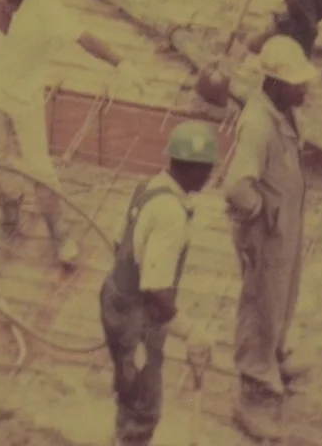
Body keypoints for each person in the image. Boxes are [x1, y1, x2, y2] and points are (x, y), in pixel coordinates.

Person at [0, 0, 122, 267]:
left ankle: (58, 231)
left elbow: (83, 37)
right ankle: (9, 216)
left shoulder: (47, 9)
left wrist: (120, 63)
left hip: (25, 97)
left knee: (39, 168)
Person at [224, 35, 320, 440]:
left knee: (282, 294)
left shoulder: (284, 112)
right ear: (276, 83)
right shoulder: (258, 125)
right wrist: (260, 213)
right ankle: (255, 388)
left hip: (285, 226)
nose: (305, 89)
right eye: (297, 84)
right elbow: (236, 187)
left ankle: (274, 355)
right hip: (267, 232)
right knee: (261, 304)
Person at [102, 121, 218, 446]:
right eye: (209, 169)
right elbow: (155, 289)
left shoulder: (149, 186)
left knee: (129, 383)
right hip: (135, 316)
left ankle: (122, 428)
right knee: (144, 406)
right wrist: (190, 331)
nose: (211, 176)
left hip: (114, 298)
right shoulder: (171, 214)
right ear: (195, 169)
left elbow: (119, 242)